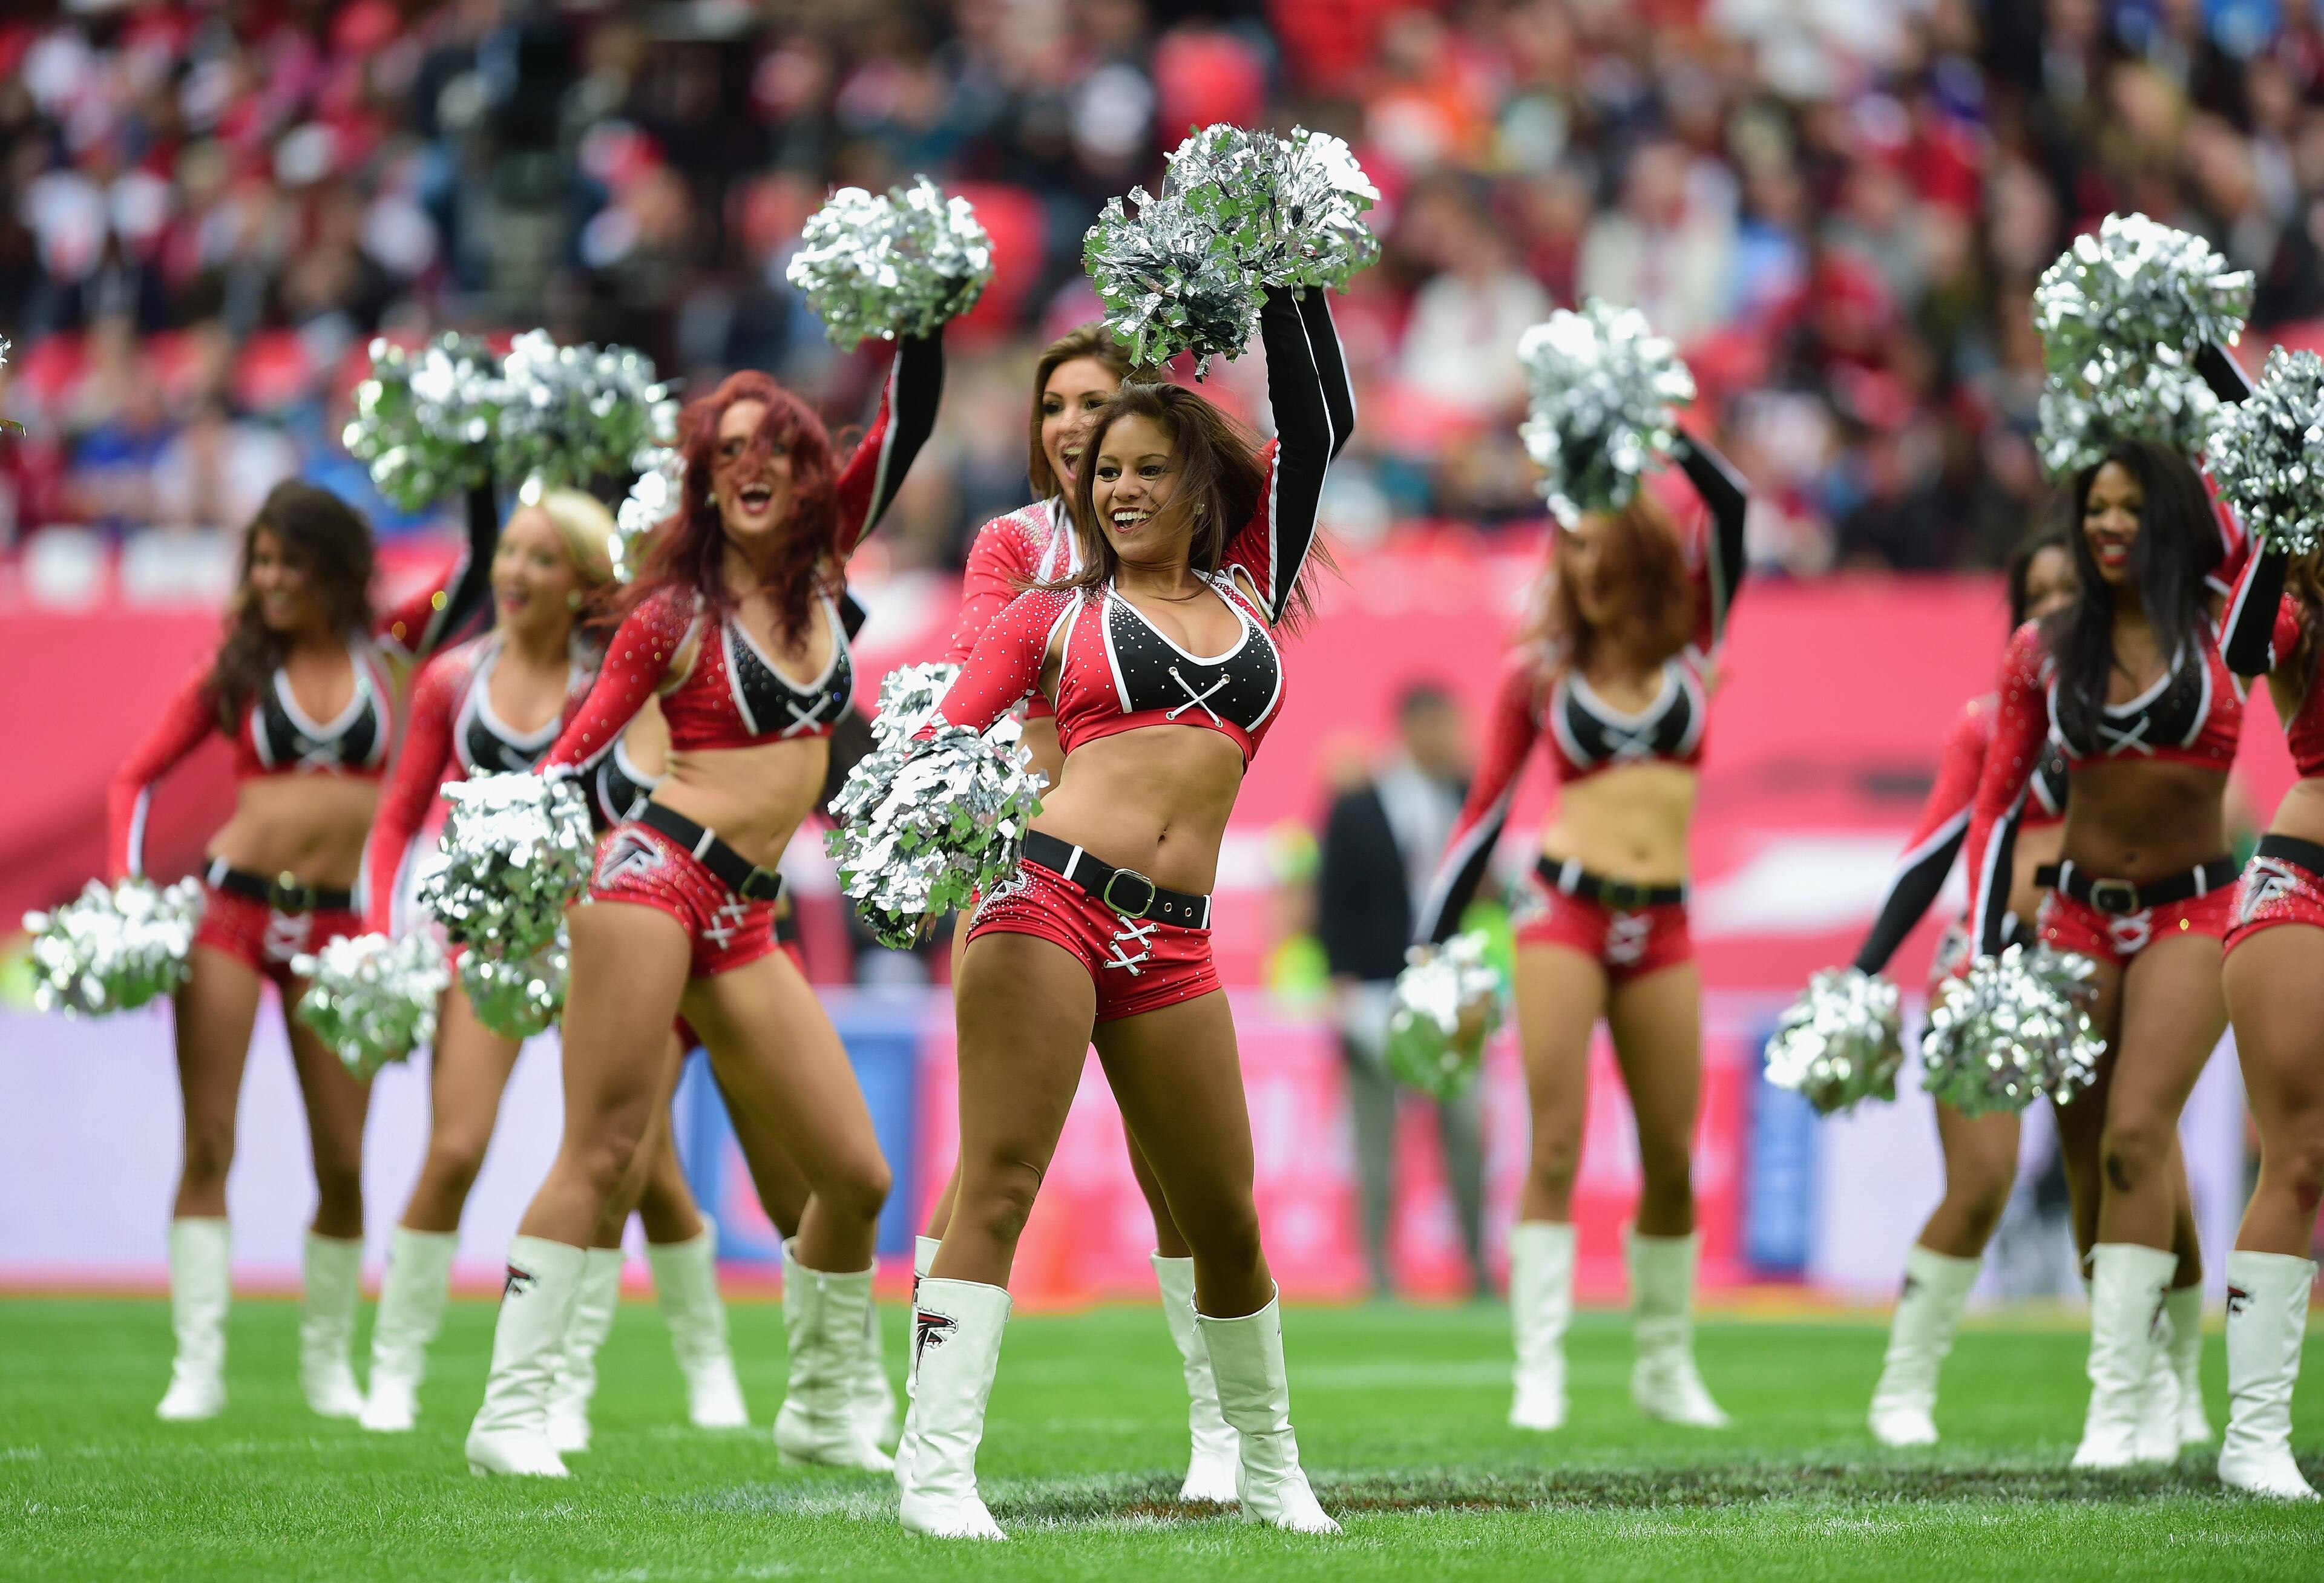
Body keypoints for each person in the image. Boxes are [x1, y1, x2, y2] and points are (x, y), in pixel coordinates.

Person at [897, 284, 1353, 1539]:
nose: (1122, 488)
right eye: (1105, 471)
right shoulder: (1052, 613)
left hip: (1176, 941)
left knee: (1224, 1216)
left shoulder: (1257, 589)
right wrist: (932, 841)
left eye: (1150, 466)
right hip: (1044, 901)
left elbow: (1318, 429)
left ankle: (1269, 1467)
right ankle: (935, 1474)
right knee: (997, 1182)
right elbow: (941, 742)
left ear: (1203, 483)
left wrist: (1286, 286)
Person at [464, 329, 945, 1478]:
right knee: (606, 1145)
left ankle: (826, 1410)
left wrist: (921, 315)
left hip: (746, 911)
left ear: (805, 469)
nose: (749, 463)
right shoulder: (670, 615)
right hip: (648, 881)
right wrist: (505, 852)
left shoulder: (824, 572)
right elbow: (570, 763)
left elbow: (906, 424)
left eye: (773, 442)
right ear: (703, 478)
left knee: (858, 1175)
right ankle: (512, 1414)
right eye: (725, 450)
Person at [355, 488, 747, 1446]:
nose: (515, 573)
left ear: (582, 582)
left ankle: (639, 1377)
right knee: (454, 1149)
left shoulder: (621, 670)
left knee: (640, 1163)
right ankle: (394, 1372)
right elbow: (401, 815)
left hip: (604, 934)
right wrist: (380, 927)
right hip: (492, 938)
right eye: (509, 554)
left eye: (541, 558)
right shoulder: (455, 678)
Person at [104, 478, 491, 1422]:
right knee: (209, 1139)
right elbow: (135, 777)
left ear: (334, 570)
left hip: (340, 934)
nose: (271, 580)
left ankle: (327, 1366)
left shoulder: (392, 650)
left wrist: (480, 462)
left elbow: (476, 571)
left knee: (345, 1162)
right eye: (262, 562)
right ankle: (197, 1368)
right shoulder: (235, 669)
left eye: (289, 562)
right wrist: (126, 887)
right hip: (231, 918)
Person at [1411, 427, 1749, 1434]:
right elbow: (1482, 815)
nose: (1588, 570)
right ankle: (1540, 1373)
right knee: (1552, 1147)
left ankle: (1665, 1365)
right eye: (1574, 552)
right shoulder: (1540, 673)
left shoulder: (1697, 639)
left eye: (1605, 549)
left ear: (1645, 554)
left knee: (1671, 1156)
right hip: (1562, 912)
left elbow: (1729, 506)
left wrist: (1653, 428)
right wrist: (1427, 948)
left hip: (1667, 923)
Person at [1960, 437, 2256, 1468]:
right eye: (2095, 507)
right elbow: (1996, 803)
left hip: (2194, 912)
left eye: (2131, 506)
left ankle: (2114, 1406)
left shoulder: (2225, 620)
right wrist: (1991, 936)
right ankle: (2166, 1369)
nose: (2108, 525)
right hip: (2077, 919)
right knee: (2096, 1159)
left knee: (2140, 1130)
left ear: (2169, 516)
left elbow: (2257, 517)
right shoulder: (2045, 646)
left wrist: (2204, 367)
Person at [1850, 530, 2078, 1444]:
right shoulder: (1990, 719)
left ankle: (2148, 1394)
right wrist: (1863, 970)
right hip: (1988, 961)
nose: (2055, 611)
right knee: (1979, 1186)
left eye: (2074, 591)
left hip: (2106, 957)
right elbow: (1933, 848)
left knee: (2128, 1171)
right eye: (2037, 594)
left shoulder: (2151, 710)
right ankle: (1902, 1388)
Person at [2209, 526, 2324, 1499]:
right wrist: (2281, 514)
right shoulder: (2296, 604)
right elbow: (2242, 651)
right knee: (2301, 1156)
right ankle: (2254, 1439)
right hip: (2306, 889)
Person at [1317, 682, 1486, 1297]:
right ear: (1413, 728)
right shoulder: (1357, 804)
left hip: (1443, 989)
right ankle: (1379, 1272)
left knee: (1465, 1132)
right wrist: (1340, 987)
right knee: (1376, 1143)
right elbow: (1331, 901)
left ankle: (1477, 1267)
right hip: (1372, 990)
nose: (1454, 742)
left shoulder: (1467, 797)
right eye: (1443, 728)